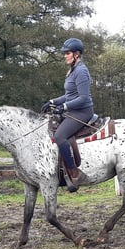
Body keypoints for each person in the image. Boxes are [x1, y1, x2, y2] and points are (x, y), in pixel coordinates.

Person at [41, 37, 95, 192]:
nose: (65, 55)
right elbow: (70, 95)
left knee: (59, 136)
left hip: (82, 112)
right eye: (64, 53)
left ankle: (74, 173)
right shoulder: (72, 71)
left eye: (67, 53)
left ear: (76, 54)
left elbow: (83, 98)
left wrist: (63, 107)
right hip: (73, 109)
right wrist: (53, 102)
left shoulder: (81, 71)